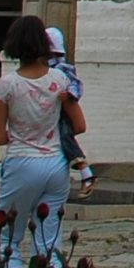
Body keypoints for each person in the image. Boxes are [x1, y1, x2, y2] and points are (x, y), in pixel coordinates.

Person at [0, 16, 85, 268]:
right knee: (48, 240)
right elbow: (79, 126)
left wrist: (20, 134)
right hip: (55, 165)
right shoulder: (60, 81)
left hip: (21, 162)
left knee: (7, 236)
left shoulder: (5, 86)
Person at [46, 23, 93, 193]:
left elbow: (75, 85)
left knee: (65, 136)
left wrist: (69, 95)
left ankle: (85, 171)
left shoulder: (61, 69)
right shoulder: (45, 70)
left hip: (60, 114)